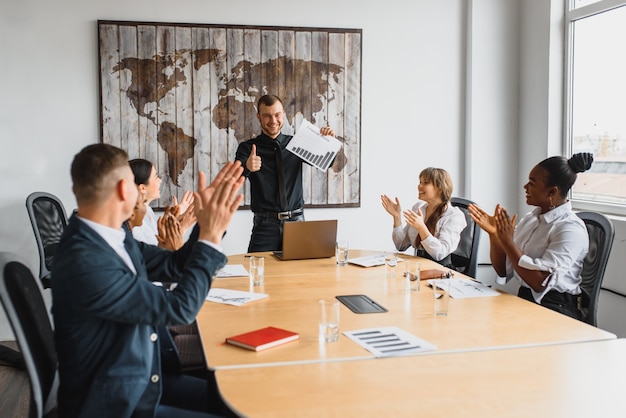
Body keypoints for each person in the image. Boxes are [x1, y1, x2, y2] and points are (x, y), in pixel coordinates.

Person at [51, 143, 244, 417]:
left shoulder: (113, 236)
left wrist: (206, 224)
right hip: (114, 405)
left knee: (237, 404)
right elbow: (179, 308)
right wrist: (210, 239)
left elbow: (174, 265)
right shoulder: (86, 262)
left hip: (139, 383)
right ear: (123, 189)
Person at [467, 153, 594, 319]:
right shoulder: (531, 219)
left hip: (557, 309)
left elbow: (539, 283)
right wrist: (495, 235)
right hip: (527, 301)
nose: (525, 187)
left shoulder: (570, 228)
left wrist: (508, 242)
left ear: (552, 192)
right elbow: (503, 270)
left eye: (532, 183)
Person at [235, 94, 336, 252]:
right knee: (257, 271)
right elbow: (234, 179)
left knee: (299, 274)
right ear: (258, 117)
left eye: (277, 115)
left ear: (283, 114)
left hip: (297, 223)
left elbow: (328, 162)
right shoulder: (247, 148)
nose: (273, 121)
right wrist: (247, 166)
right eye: (267, 116)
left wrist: (328, 142)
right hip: (264, 226)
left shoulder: (297, 143)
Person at [381, 167, 466, 267]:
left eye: (425, 183)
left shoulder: (454, 216)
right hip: (417, 266)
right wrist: (396, 217)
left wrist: (421, 228)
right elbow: (401, 245)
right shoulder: (418, 208)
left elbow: (439, 254)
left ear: (440, 187)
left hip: (440, 271)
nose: (419, 186)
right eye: (420, 182)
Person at [129, 158, 195, 248]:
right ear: (143, 188)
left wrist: (174, 223)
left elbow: (161, 242)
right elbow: (155, 255)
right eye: (156, 177)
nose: (160, 181)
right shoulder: (134, 224)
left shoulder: (148, 210)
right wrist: (180, 230)